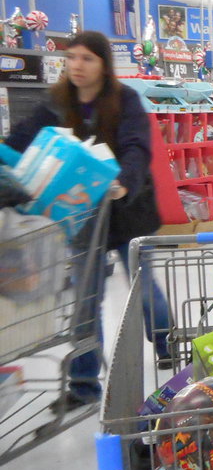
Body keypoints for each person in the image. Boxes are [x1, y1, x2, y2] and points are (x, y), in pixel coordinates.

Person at [2, 31, 171, 411]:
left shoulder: (125, 100)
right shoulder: (57, 102)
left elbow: (136, 146)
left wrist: (123, 183)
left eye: (87, 58)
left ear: (104, 64)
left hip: (127, 212)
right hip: (81, 215)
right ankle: (83, 385)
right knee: (84, 302)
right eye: (72, 57)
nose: (77, 65)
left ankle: (165, 342)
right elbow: (25, 137)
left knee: (143, 287)